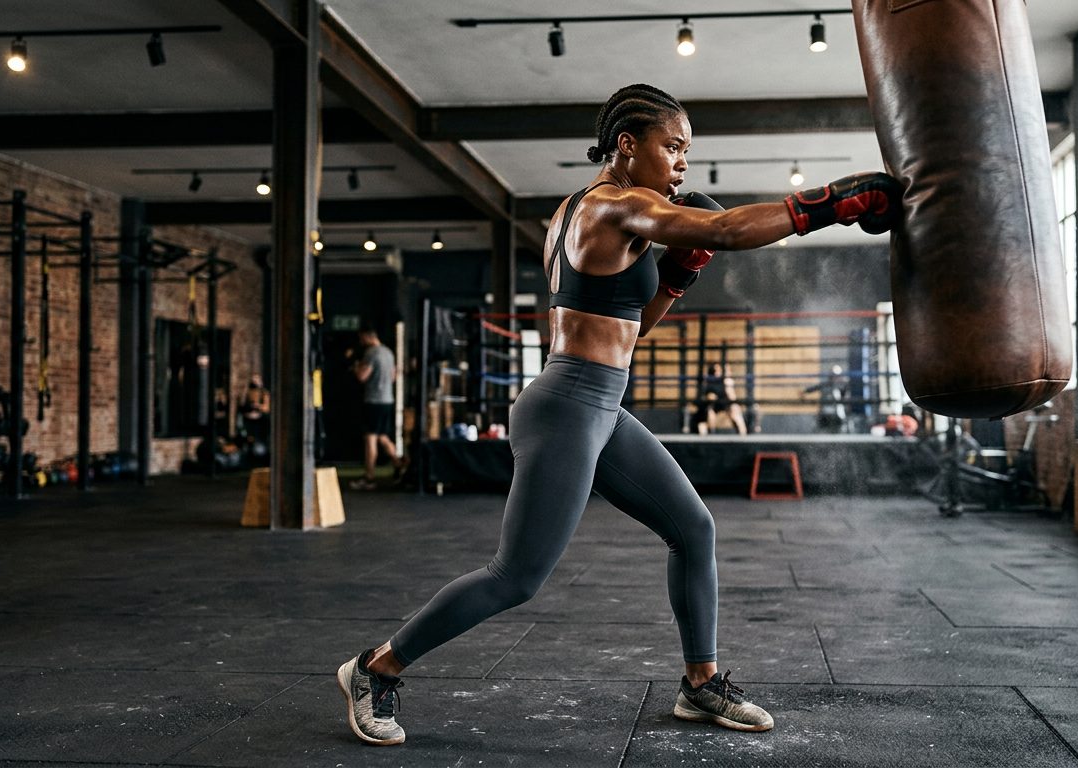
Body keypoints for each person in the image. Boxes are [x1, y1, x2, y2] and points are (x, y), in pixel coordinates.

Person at [336, 83, 903, 746]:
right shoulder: (612, 204)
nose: (682, 164)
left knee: (693, 528)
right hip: (567, 408)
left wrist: (676, 278)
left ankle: (700, 684)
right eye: (673, 147)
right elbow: (725, 229)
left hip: (601, 404)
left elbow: (632, 327)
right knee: (517, 576)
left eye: (687, 152)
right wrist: (830, 203)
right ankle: (374, 667)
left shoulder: (600, 213)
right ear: (627, 146)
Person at [350, 327, 407, 491]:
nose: (361, 343)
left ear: (367, 337)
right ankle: (399, 464)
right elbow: (393, 376)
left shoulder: (371, 353)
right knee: (382, 436)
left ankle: (369, 477)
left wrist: (355, 367)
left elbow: (362, 376)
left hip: (374, 401)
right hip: (387, 400)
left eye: (362, 339)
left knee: (370, 439)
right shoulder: (388, 352)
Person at [693, 362, 748, 435]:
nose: (716, 373)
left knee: (734, 410)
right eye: (714, 371)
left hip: (724, 402)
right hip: (710, 405)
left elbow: (731, 397)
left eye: (719, 371)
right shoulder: (707, 382)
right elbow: (704, 396)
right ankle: (708, 436)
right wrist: (709, 397)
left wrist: (733, 403)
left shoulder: (726, 381)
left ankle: (743, 435)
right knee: (708, 413)